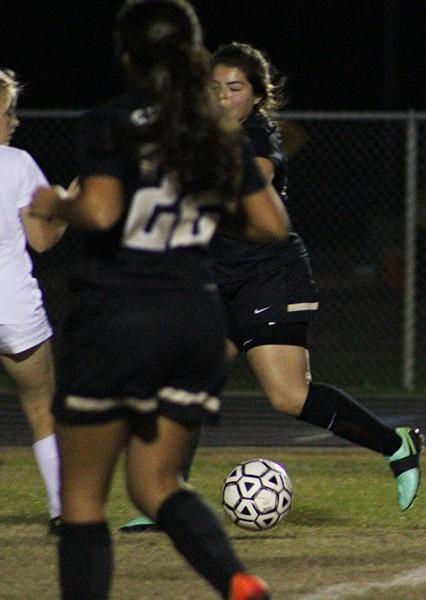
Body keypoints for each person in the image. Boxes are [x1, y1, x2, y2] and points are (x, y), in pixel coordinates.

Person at [28, 1, 288, 598]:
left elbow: (101, 210)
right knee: (157, 485)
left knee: (83, 499)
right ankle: (238, 581)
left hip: (118, 314)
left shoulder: (112, 119)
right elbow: (271, 223)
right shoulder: (211, 128)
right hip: (195, 318)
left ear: (127, 55)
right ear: (196, 53)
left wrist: (52, 205)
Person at [120, 40, 423, 533]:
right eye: (215, 87)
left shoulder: (257, 137)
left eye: (235, 88)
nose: (223, 97)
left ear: (258, 98)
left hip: (269, 274)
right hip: (218, 280)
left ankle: (396, 445)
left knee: (287, 395)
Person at [0, 68, 67, 535]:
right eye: (8, 112)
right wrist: (67, 205)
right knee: (41, 408)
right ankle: (62, 510)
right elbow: (41, 240)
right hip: (12, 306)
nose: (15, 121)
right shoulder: (18, 164)